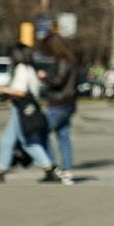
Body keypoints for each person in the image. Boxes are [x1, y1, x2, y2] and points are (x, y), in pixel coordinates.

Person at [0, 44, 58, 184]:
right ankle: (0, 171)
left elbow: (21, 92)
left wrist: (4, 90)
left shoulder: (21, 68)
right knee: (7, 140)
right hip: (25, 109)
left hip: (21, 109)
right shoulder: (30, 69)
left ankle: (49, 169)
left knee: (27, 142)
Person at [40, 33, 79, 184]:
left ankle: (52, 167)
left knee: (42, 133)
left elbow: (57, 81)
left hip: (58, 104)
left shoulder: (62, 61)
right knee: (63, 136)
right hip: (69, 103)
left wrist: (44, 77)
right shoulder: (72, 61)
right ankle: (67, 170)